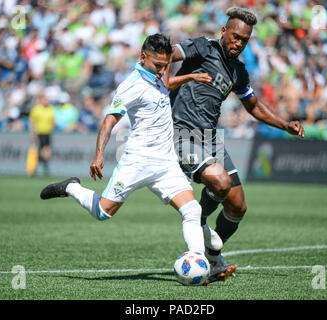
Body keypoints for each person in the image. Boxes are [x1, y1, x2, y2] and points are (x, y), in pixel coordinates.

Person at [40, 34, 215, 280]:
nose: (162, 71)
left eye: (166, 66)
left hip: (165, 163)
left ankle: (199, 264)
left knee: (192, 210)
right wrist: (98, 155)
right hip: (138, 161)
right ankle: (71, 187)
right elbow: (109, 120)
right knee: (103, 212)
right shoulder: (131, 85)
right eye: (158, 66)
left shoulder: (157, 75)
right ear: (143, 57)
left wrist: (190, 77)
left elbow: (165, 86)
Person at [169, 7, 305, 283]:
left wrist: (284, 124)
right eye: (234, 36)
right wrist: (162, 80)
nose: (238, 43)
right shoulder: (202, 47)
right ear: (224, 31)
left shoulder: (238, 72)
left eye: (244, 39)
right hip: (182, 133)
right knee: (219, 184)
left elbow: (253, 106)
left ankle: (212, 257)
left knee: (238, 206)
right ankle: (197, 220)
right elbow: (168, 54)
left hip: (211, 138)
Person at [29, 94, 55, 176]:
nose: (46, 101)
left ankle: (41, 166)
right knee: (40, 151)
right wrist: (33, 133)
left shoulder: (50, 109)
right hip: (39, 133)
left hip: (47, 133)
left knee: (46, 151)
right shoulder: (36, 109)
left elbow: (53, 120)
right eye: (44, 99)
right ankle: (38, 168)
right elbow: (32, 122)